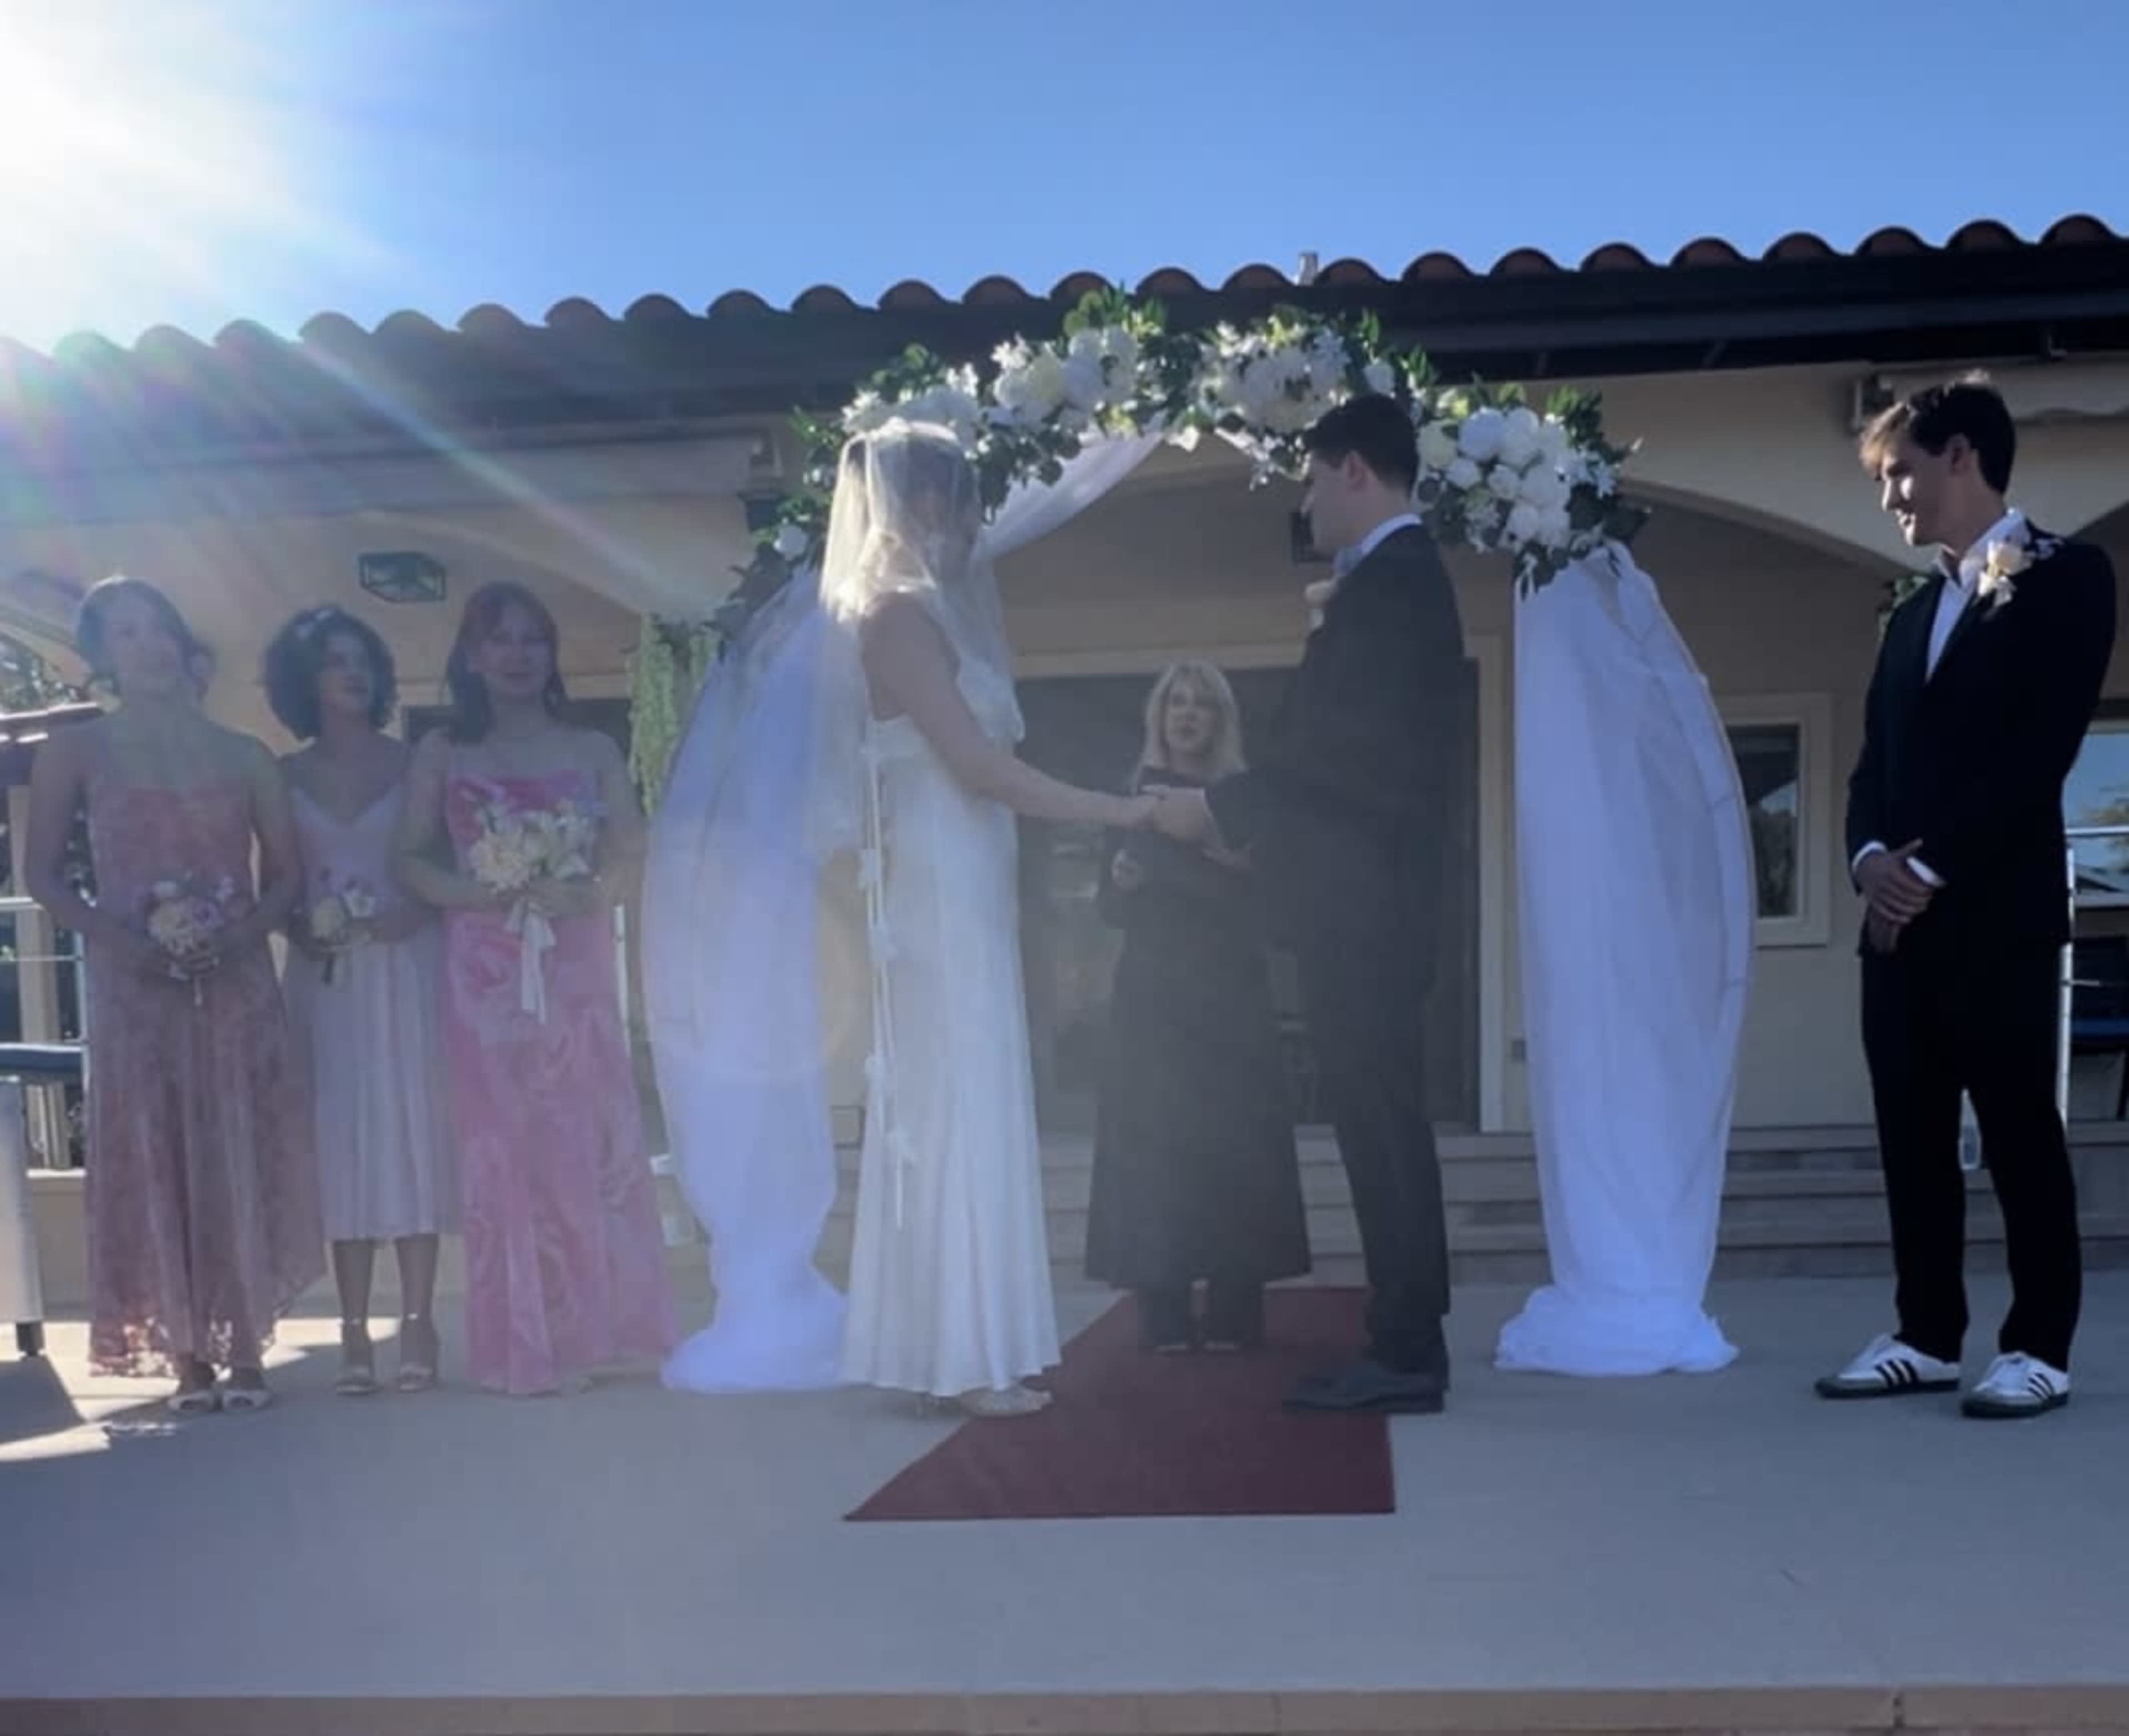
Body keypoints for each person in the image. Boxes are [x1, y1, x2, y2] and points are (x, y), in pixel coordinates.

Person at [1150, 394, 1466, 1414]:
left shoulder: (1397, 584)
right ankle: (1402, 1334)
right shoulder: (1386, 585)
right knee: (1379, 1127)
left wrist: (1221, 808)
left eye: (1313, 476)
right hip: (1363, 906)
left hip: (1368, 913)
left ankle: (1410, 1349)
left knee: (1382, 1128)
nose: (1306, 498)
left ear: (1356, 472)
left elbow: (1344, 755)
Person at [1822, 375, 2116, 1420]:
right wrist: (1868, 863)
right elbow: (1870, 768)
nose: (1890, 496)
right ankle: (1925, 1331)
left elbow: (2039, 752)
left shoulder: (2069, 576)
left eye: (1900, 471)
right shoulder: (1906, 619)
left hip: (1997, 918)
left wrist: (1930, 868)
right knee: (1909, 1132)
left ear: (1963, 456)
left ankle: (2039, 1342)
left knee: (2019, 1133)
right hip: (1895, 932)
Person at [24, 577, 320, 1413]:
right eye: (126, 634)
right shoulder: (74, 753)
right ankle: (186, 1350)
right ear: (102, 657)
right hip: (132, 989)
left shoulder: (244, 754)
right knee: (156, 1149)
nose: (148, 645)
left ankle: (248, 1346)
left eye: (158, 628)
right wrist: (123, 941)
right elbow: (41, 875)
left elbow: (287, 874)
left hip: (235, 986)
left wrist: (238, 934)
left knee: (235, 1150)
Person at [395, 581, 674, 1396]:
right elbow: (409, 859)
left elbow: (631, 850)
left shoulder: (591, 751)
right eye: (501, 641)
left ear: (551, 657)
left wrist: (587, 892)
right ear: (472, 658)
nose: (518, 656)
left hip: (575, 970)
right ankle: (525, 1340)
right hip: (483, 976)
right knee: (505, 1148)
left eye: (533, 641)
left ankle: (607, 1331)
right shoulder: (443, 754)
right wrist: (480, 893)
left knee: (589, 1138)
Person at [1085, 660, 1308, 1352]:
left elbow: (1273, 903)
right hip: (1152, 1000)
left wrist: (1219, 855)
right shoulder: (1133, 800)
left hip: (1230, 998)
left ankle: (1237, 1309)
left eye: (1201, 705)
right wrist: (1121, 883)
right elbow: (1106, 907)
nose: (1186, 715)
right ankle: (1165, 1309)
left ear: (1219, 720)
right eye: (1175, 703)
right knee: (1156, 1148)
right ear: (1159, 717)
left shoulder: (1242, 798)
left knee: (1236, 1149)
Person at [266, 606, 456, 1396]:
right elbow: (272, 885)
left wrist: (415, 913)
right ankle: (351, 1329)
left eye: (363, 661)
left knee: (412, 1131)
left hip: (406, 968)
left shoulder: (418, 764)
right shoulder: (280, 776)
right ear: (305, 682)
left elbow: (444, 869)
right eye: (335, 662)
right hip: (328, 979)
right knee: (339, 1139)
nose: (354, 674)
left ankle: (418, 1322)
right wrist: (300, 928)